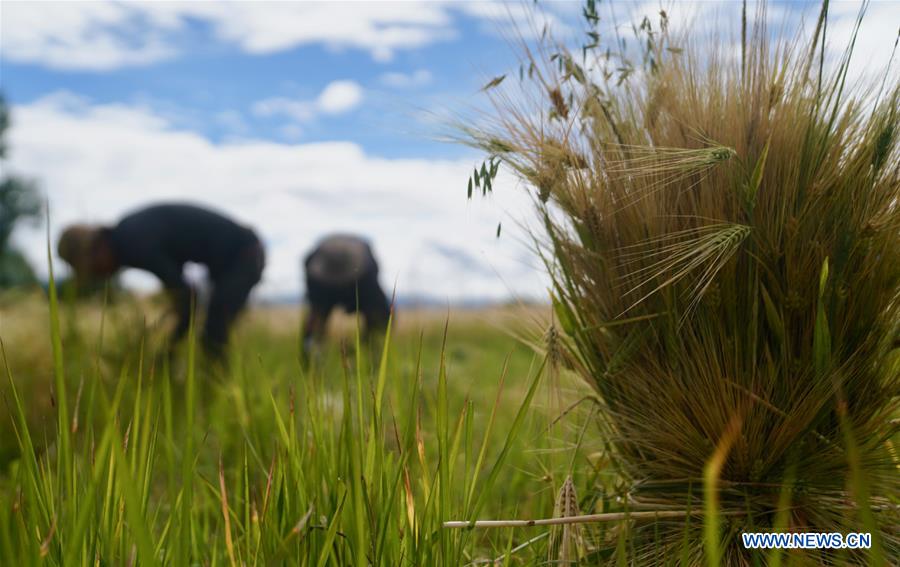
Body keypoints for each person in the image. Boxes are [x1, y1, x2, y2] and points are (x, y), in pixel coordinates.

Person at [57, 203, 265, 358]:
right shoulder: (129, 233)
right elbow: (183, 289)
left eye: (93, 269)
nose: (98, 275)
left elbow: (187, 298)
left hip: (244, 255)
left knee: (214, 334)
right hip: (235, 257)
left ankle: (217, 397)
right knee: (213, 332)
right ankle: (210, 391)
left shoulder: (133, 242)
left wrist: (167, 352)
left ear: (97, 249)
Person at [302, 234, 391, 356]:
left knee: (377, 318)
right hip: (324, 282)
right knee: (316, 318)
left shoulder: (367, 271)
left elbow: (381, 314)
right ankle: (311, 356)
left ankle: (371, 353)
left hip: (360, 280)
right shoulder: (315, 270)